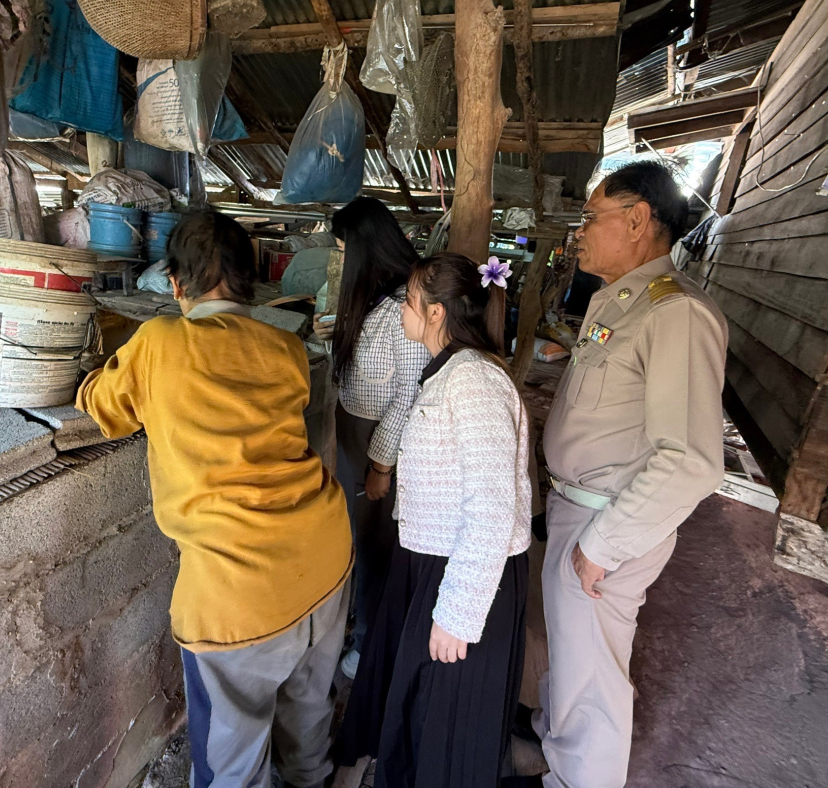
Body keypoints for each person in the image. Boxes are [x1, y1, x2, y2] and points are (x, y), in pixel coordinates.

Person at [76, 210, 353, 788]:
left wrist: (96, 370)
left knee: (232, 757)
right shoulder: (288, 350)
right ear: (251, 282)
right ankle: (313, 779)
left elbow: (103, 406)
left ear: (175, 284)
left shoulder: (157, 342)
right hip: (325, 556)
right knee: (307, 710)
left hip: (237, 595)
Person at [533, 160, 728, 788]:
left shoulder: (675, 315)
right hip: (581, 508)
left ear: (639, 219)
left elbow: (691, 459)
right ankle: (553, 748)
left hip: (607, 520)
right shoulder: (621, 302)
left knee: (591, 675)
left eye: (592, 217)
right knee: (573, 656)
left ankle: (576, 778)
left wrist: (603, 545)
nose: (581, 230)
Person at [336, 252, 533, 788]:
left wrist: (459, 614)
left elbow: (493, 506)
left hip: (466, 572)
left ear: (437, 313)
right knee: (422, 697)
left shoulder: (475, 383)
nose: (402, 309)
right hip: (434, 559)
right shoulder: (448, 373)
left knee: (449, 711)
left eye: (409, 301)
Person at [311, 197, 430, 679]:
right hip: (353, 427)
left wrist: (381, 466)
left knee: (377, 543)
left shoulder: (406, 304)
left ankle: (371, 647)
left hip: (379, 437)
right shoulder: (376, 294)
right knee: (356, 536)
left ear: (365, 251)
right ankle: (364, 624)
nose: (338, 259)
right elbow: (364, 366)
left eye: (342, 250)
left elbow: (408, 392)